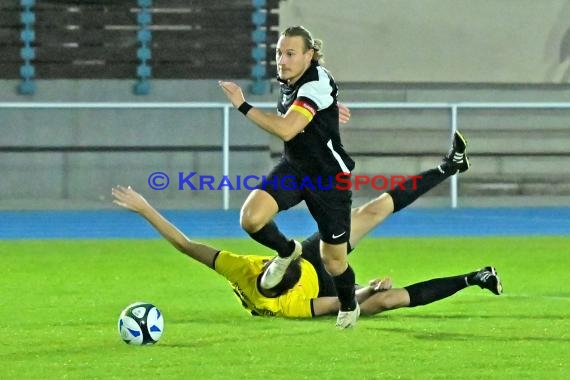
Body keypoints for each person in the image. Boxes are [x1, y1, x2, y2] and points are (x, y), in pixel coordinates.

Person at [112, 132, 500, 319]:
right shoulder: (293, 304)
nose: (274, 261)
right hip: (330, 287)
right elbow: (342, 301)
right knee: (386, 301)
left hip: (318, 259)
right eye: (287, 263)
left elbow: (185, 244)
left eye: (277, 260)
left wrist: (145, 208)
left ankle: (448, 167)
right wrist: (367, 288)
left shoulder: (244, 270)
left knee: (372, 210)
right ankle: (474, 278)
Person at [219, 26, 359, 327]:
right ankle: (287, 250)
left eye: (291, 53)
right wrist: (333, 109)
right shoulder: (292, 80)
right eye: (279, 53)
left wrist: (242, 104)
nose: (282, 60)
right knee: (251, 218)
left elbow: (286, 128)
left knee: (333, 261)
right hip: (295, 169)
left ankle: (349, 303)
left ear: (309, 56)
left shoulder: (313, 83)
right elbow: (322, 102)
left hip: (328, 180)